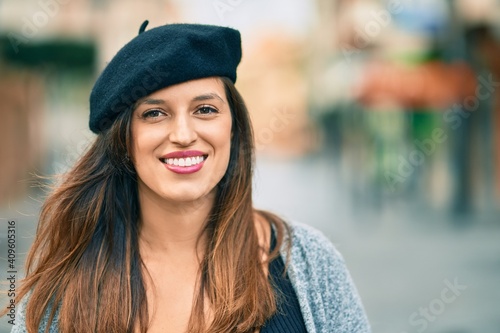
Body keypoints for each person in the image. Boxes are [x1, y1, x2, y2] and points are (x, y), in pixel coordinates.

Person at [4, 21, 370, 333]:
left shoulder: (308, 261)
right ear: (123, 139)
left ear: (233, 127)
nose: (183, 134)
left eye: (205, 109)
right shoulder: (62, 286)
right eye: (154, 114)